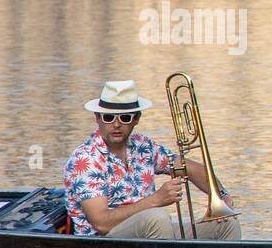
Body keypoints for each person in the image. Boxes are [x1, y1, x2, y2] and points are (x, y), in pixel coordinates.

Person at [63, 80, 241, 239]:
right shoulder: (85, 159)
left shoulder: (143, 146)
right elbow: (100, 223)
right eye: (109, 117)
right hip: (105, 243)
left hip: (151, 231)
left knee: (227, 223)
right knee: (157, 217)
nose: (116, 124)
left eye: (125, 118)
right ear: (97, 118)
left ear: (137, 119)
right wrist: (155, 200)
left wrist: (221, 195)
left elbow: (189, 168)